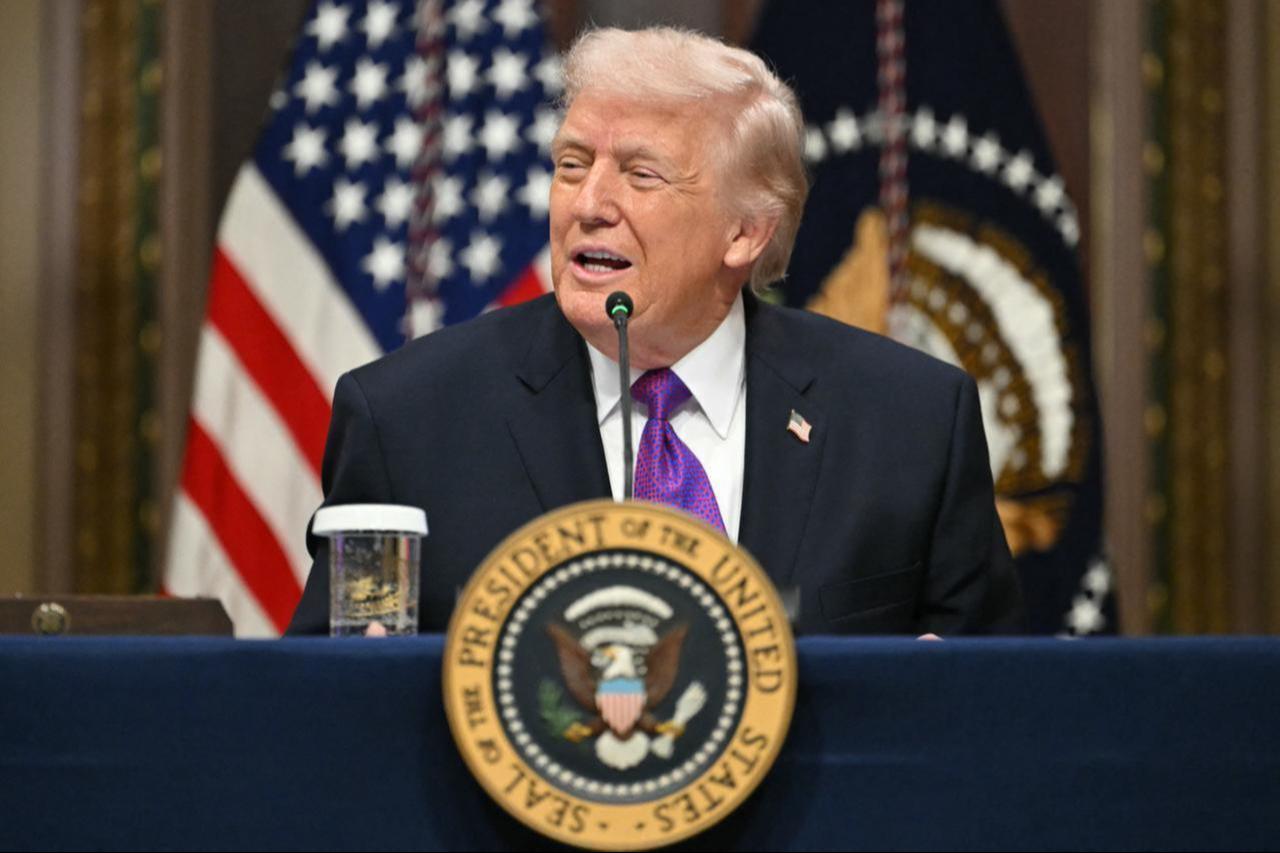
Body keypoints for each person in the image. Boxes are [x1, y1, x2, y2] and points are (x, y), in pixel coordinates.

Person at [287, 27, 1023, 636]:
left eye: (641, 176)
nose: (589, 203)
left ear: (745, 231)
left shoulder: (910, 422)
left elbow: (994, 715)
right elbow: (331, 713)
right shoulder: (408, 421)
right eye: (572, 165)